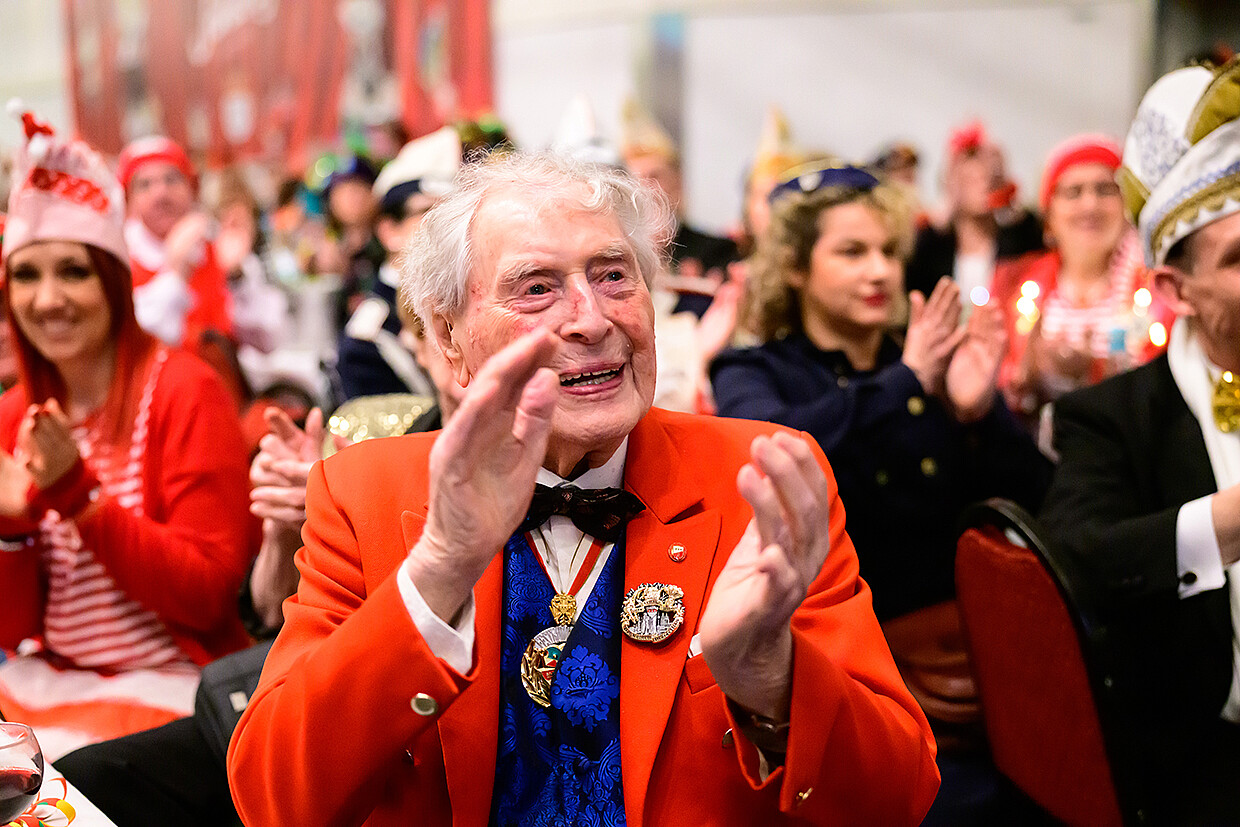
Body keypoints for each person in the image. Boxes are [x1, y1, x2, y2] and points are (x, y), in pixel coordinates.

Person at [228, 151, 940, 826]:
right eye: (537, 288)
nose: (592, 320)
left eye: (614, 277)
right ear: (447, 338)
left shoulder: (756, 480)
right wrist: (439, 568)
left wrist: (768, 674)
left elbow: (900, 798)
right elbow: (274, 800)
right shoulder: (364, 494)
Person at [710, 162, 1050, 825]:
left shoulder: (930, 360)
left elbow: (1035, 501)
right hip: (846, 672)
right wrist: (907, 380)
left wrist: (981, 414)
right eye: (852, 252)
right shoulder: (755, 370)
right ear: (796, 268)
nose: (880, 272)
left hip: (977, 670)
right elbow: (777, 445)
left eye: (890, 252)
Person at [0, 110, 254, 760]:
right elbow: (14, 629)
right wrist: (12, 530)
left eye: (73, 271)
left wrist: (77, 494)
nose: (46, 299)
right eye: (25, 275)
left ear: (114, 281)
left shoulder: (186, 389)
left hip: (175, 688)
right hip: (49, 682)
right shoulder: (14, 414)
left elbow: (206, 596)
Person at [1039, 56, 1240, 822]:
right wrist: (1228, 519)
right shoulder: (1112, 417)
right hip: (1205, 766)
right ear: (1175, 290)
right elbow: (1078, 561)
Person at [990, 135, 1173, 430]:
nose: (1090, 205)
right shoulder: (1014, 285)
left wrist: (1094, 373)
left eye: (1105, 190)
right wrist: (1024, 378)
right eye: (1073, 192)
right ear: (1049, 214)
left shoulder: (1159, 286)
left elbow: (1167, 394)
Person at [336, 126, 461, 400]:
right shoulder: (367, 338)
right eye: (428, 211)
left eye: (453, 213)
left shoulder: (463, 300)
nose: (446, 225)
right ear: (389, 232)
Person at [621, 98, 740, 318]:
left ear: (678, 181)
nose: (643, 187)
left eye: (654, 176)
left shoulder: (718, 251)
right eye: (633, 178)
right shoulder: (618, 252)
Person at [904, 122, 1043, 303]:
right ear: (953, 182)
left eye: (990, 178)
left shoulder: (1020, 240)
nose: (983, 186)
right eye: (971, 179)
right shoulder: (931, 245)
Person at [118, 135, 234, 351]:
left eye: (171, 179)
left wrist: (238, 274)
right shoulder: (118, 261)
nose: (160, 193)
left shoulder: (217, 246)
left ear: (192, 189)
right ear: (129, 200)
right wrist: (175, 272)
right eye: (144, 185)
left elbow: (265, 340)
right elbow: (136, 341)